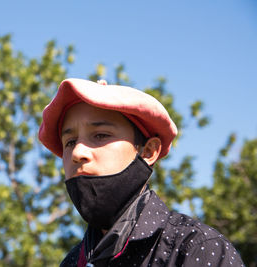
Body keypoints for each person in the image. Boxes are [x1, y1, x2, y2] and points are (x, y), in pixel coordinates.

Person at [38, 78, 244, 267]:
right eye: (70, 142)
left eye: (100, 135)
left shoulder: (198, 248)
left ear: (148, 151)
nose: (78, 152)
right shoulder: (72, 262)